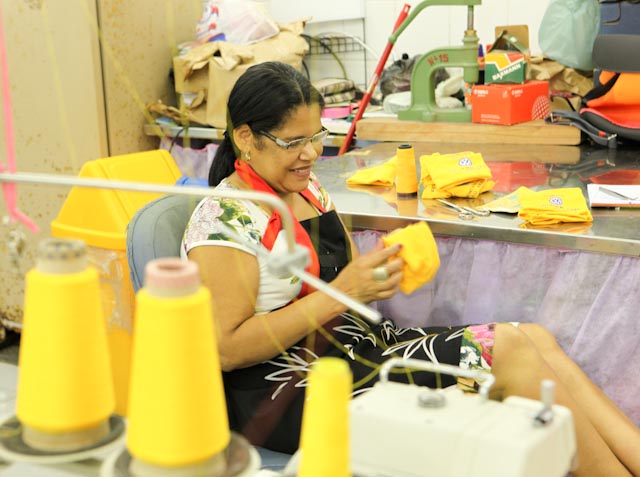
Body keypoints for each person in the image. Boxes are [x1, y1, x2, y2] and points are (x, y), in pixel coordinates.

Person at [182, 61, 640, 477]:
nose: (310, 154)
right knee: (506, 349)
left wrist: (379, 270)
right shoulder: (225, 218)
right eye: (293, 142)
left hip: (357, 347)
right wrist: (344, 292)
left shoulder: (306, 189)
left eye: (316, 136)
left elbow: (344, 277)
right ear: (246, 137)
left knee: (533, 338)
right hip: (294, 391)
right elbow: (227, 349)